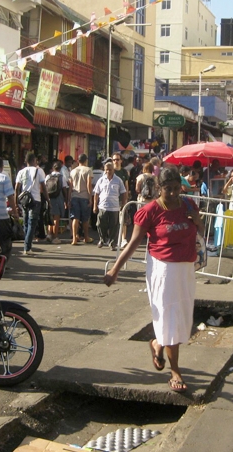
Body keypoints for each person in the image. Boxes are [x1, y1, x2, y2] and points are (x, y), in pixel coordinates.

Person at [104, 166, 204, 393]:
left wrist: (198, 221)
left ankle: (158, 344)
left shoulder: (189, 205)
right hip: (163, 270)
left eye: (177, 188)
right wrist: (115, 270)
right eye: (168, 189)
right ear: (159, 188)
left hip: (186, 268)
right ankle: (175, 370)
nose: (173, 193)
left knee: (182, 318)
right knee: (169, 318)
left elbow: (200, 232)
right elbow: (133, 244)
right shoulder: (150, 211)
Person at [15, 153, 49, 255]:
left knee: (26, 222)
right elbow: (43, 186)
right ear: (35, 160)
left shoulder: (21, 172)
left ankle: (27, 244)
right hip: (35, 200)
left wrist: (16, 201)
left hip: (24, 200)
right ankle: (27, 247)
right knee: (32, 223)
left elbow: (17, 187)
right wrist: (48, 200)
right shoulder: (39, 171)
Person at [93, 162, 127, 250]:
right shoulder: (101, 180)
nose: (108, 171)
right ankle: (102, 239)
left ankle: (112, 243)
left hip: (114, 207)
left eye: (110, 169)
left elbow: (123, 193)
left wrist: (123, 204)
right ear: (104, 170)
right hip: (102, 207)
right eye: (106, 170)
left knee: (114, 226)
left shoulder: (118, 180)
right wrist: (95, 205)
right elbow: (96, 193)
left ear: (113, 170)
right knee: (100, 224)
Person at [69, 153, 93, 245]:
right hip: (84, 197)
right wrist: (90, 198)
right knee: (85, 219)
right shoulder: (88, 170)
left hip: (74, 196)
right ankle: (86, 237)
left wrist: (68, 199)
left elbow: (70, 186)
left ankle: (74, 238)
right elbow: (88, 185)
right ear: (86, 160)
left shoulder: (73, 171)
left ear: (78, 161)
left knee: (75, 218)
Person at [112, 153, 131, 246]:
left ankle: (124, 239)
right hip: (112, 199)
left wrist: (126, 197)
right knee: (113, 220)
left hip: (122, 198)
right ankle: (113, 239)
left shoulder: (124, 172)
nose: (116, 161)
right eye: (114, 159)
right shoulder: (110, 171)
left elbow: (126, 186)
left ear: (121, 161)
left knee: (123, 219)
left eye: (117, 159)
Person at [45, 160, 66, 244]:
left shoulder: (48, 176)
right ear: (60, 168)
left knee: (50, 216)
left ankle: (49, 234)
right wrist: (67, 199)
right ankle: (55, 236)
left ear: (52, 168)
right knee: (56, 218)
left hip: (49, 198)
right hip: (58, 198)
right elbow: (64, 189)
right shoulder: (61, 177)